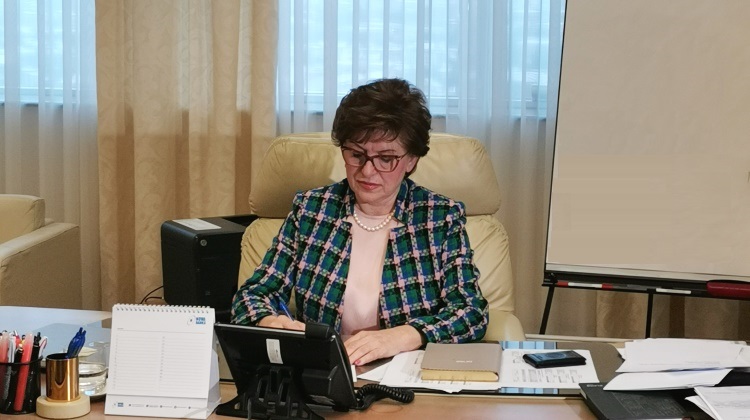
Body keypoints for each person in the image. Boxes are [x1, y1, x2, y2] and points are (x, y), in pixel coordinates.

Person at [231, 78, 487, 366]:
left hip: (405, 372)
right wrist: (269, 322)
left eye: (386, 158)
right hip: (324, 370)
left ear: (411, 160)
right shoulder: (311, 210)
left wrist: (404, 335)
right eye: (357, 154)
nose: (367, 171)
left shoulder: (440, 217)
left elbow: (471, 312)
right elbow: (253, 294)